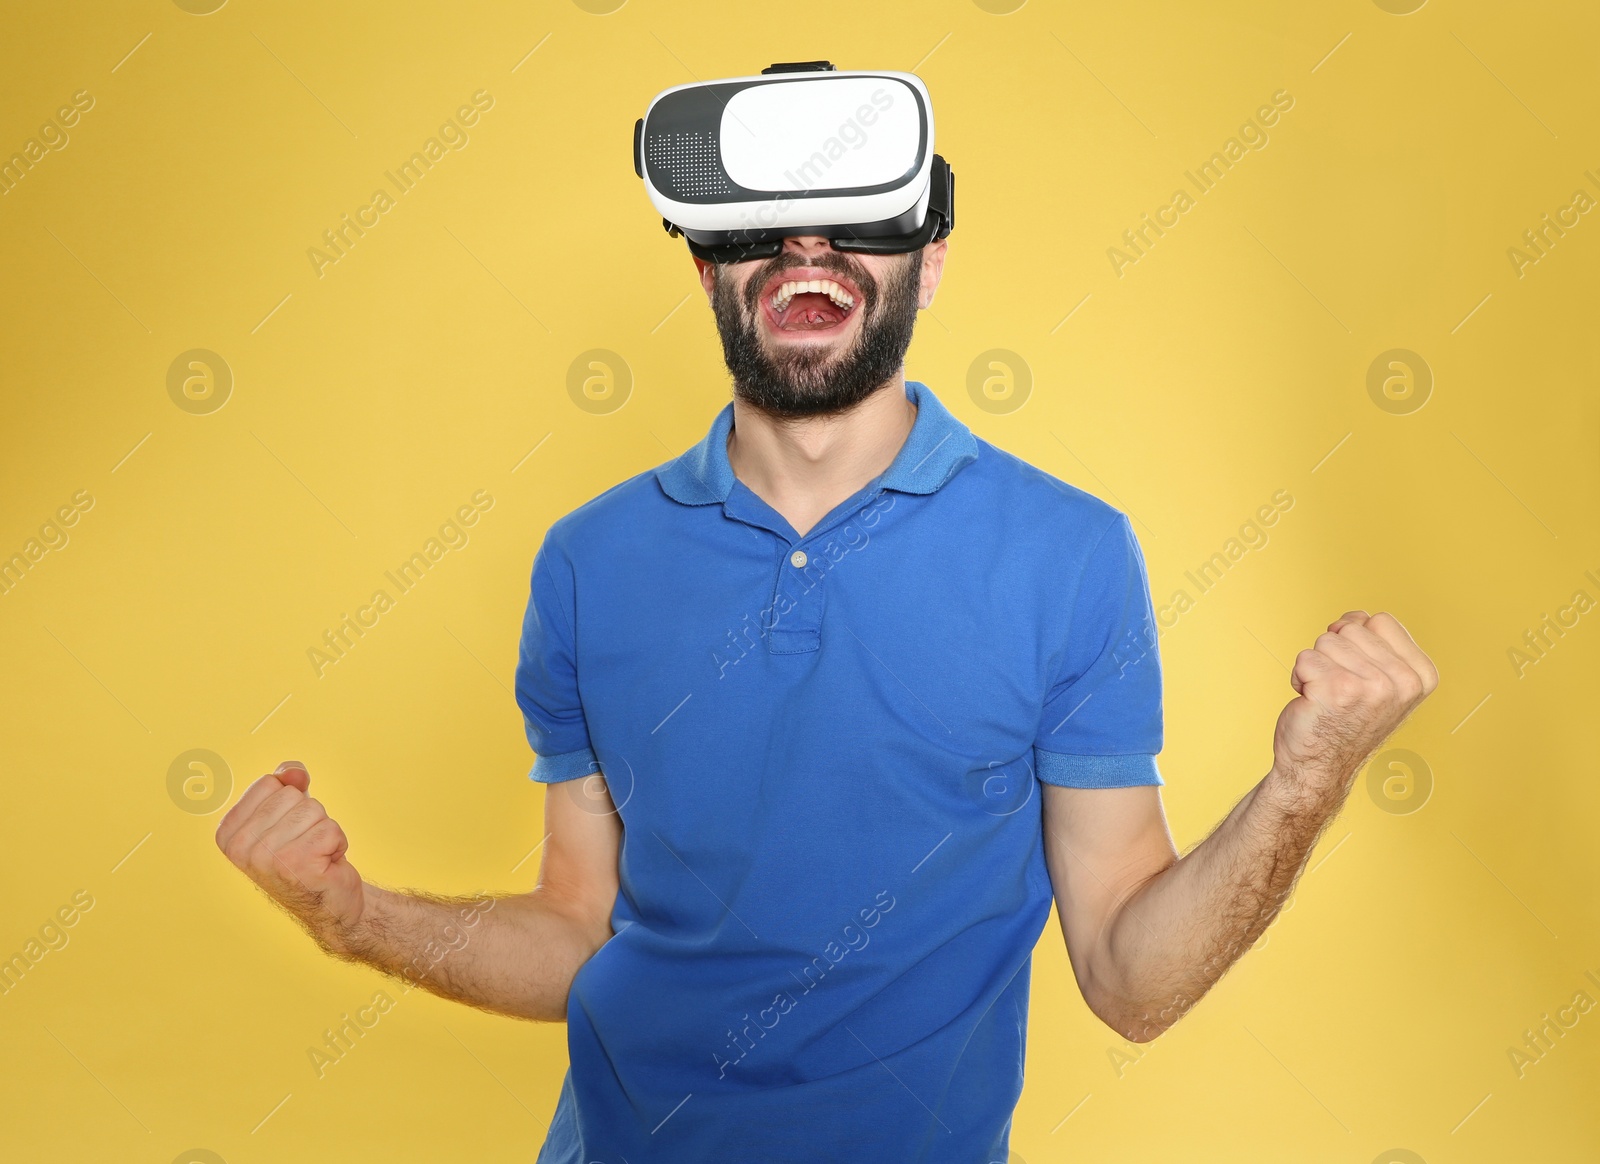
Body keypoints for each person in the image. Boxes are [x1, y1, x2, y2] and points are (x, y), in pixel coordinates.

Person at [216, 226, 1439, 1161]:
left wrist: (1308, 780)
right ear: (706, 269)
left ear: (929, 257)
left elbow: (1130, 979)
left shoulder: (1068, 552)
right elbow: (576, 934)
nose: (808, 246)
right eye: (765, 220)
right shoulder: (589, 561)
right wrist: (351, 914)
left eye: (853, 212)